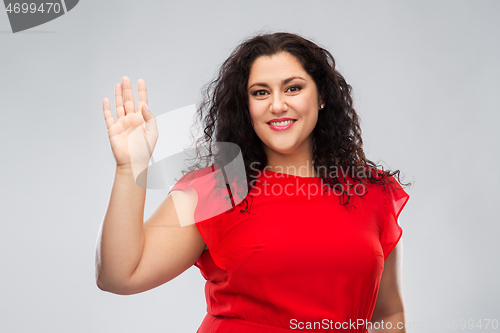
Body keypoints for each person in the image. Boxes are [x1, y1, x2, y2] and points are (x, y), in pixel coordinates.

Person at [96, 32, 411, 333]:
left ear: (322, 96)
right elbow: (120, 276)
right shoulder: (217, 190)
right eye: (260, 92)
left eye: (293, 88)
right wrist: (129, 168)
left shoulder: (371, 193)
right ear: (246, 107)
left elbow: (387, 314)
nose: (277, 105)